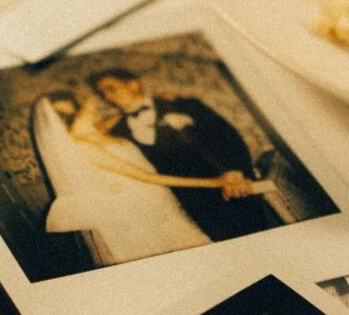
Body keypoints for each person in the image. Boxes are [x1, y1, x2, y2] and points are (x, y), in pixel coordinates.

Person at [91, 72, 284, 243]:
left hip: (231, 184)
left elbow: (228, 136)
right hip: (192, 201)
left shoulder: (183, 104)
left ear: (132, 84)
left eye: (111, 88)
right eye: (103, 93)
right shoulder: (116, 129)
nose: (108, 96)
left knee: (267, 237)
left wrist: (236, 171)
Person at [31, 91, 207, 265]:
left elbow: (118, 116)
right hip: (144, 213)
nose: (92, 108)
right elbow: (146, 177)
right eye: (80, 109)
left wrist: (149, 100)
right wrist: (212, 183)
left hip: (158, 203)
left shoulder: (96, 131)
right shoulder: (82, 147)